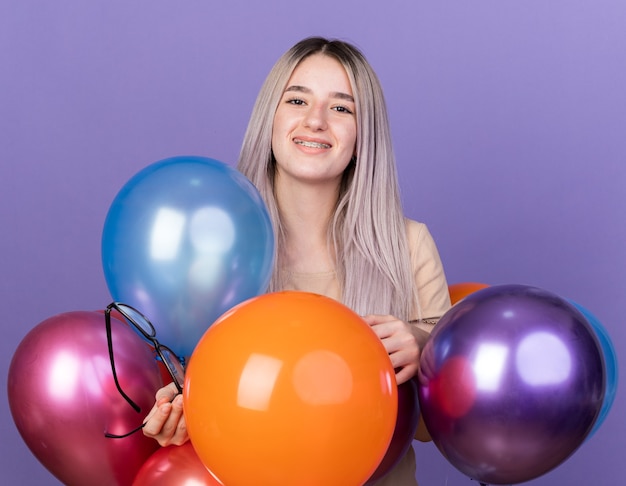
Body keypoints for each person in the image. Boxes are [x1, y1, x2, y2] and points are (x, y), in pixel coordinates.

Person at [142, 36, 451, 485]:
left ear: (364, 138)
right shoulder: (215, 249)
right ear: (270, 118)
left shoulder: (409, 245)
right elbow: (192, 401)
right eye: (297, 99)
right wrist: (178, 414)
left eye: (342, 108)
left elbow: (430, 431)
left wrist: (425, 350)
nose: (315, 121)